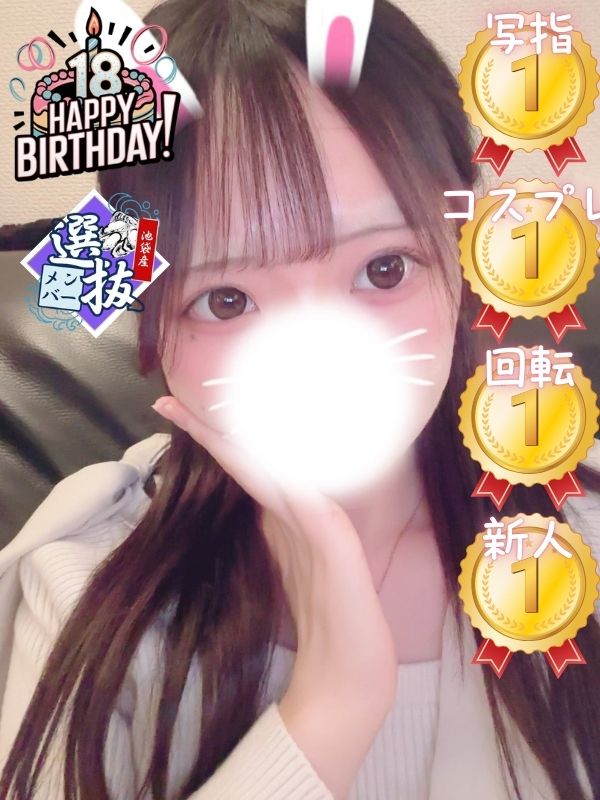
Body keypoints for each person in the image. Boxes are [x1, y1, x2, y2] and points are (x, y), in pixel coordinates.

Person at [1, 1, 600, 798]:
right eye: (225, 300)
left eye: (383, 269)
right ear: (154, 317)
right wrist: (331, 704)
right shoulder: (87, 588)